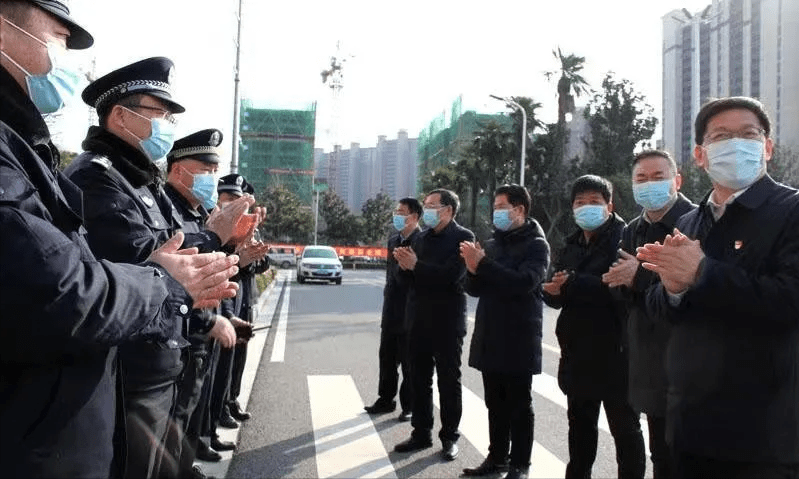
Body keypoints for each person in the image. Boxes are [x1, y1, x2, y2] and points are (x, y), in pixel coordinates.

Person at [0, 2, 239, 478]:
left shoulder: (121, 175)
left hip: (128, 374)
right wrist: (200, 248)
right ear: (121, 116)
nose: (65, 55)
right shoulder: (96, 176)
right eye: (58, 38)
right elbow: (71, 288)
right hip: (66, 416)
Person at [64, 58, 255, 479]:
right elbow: (144, 265)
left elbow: (175, 251)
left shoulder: (138, 181)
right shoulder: (96, 179)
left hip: (161, 360)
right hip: (132, 367)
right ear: (120, 116)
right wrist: (215, 237)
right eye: (160, 114)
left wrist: (222, 243)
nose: (168, 124)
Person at [636, 97, 799, 479]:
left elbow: (790, 299)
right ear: (700, 155)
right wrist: (672, 288)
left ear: (767, 147)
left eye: (749, 134)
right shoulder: (690, 222)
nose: (736, 144)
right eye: (721, 136)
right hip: (691, 421)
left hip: (765, 432)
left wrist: (703, 273)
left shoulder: (791, 211)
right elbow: (662, 309)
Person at [159, 129, 249, 479]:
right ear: (178, 170)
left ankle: (185, 466)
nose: (212, 178)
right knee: (174, 417)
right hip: (178, 333)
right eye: (205, 170)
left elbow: (210, 276)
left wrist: (237, 253)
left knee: (186, 412)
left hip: (196, 332)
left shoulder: (197, 213)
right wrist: (209, 322)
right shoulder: (168, 209)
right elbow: (177, 278)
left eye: (215, 171)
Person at [542, 175, 645, 479]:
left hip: (617, 353)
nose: (586, 208)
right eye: (579, 203)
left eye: (594, 202)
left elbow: (617, 287)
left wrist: (573, 284)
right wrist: (552, 292)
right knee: (580, 430)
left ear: (609, 205)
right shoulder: (571, 242)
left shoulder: (626, 238)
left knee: (625, 431)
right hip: (577, 352)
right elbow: (558, 292)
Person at [602, 150, 696, 479]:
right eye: (641, 179)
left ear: (677, 180)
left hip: (691, 362)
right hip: (648, 360)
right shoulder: (631, 229)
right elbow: (619, 287)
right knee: (661, 454)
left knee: (689, 454)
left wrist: (638, 276)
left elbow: (697, 288)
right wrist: (621, 281)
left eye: (658, 177)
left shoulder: (695, 223)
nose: (649, 184)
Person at [460, 185, 550, 479]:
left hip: (519, 336)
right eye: (495, 207)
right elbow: (474, 289)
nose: (496, 212)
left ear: (519, 209)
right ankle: (496, 458)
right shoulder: (491, 243)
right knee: (494, 403)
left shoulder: (537, 245)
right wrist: (472, 270)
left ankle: (520, 464)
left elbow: (524, 282)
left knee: (519, 406)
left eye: (501, 206)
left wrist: (482, 264)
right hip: (490, 333)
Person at [393, 188, 475, 461]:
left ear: (448, 210)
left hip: (447, 321)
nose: (427, 210)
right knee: (419, 380)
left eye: (432, 206)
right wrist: (403, 267)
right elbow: (405, 281)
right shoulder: (421, 238)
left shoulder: (464, 238)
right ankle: (421, 432)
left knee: (449, 382)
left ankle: (450, 436)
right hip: (417, 319)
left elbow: (453, 277)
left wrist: (416, 266)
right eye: (425, 205)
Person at [364, 197, 422, 421]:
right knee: (387, 358)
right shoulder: (393, 240)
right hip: (391, 309)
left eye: (402, 212)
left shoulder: (422, 241)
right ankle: (385, 399)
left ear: (414, 216)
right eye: (396, 212)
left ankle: (409, 405)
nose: (397, 216)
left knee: (409, 362)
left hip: (411, 311)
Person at [223, 175, 269, 425]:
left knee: (239, 354)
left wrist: (251, 260)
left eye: (240, 200)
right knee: (224, 356)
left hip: (245, 297)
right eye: (230, 199)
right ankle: (219, 407)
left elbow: (263, 263)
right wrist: (240, 259)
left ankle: (232, 400)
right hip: (228, 297)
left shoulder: (251, 227)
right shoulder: (221, 225)